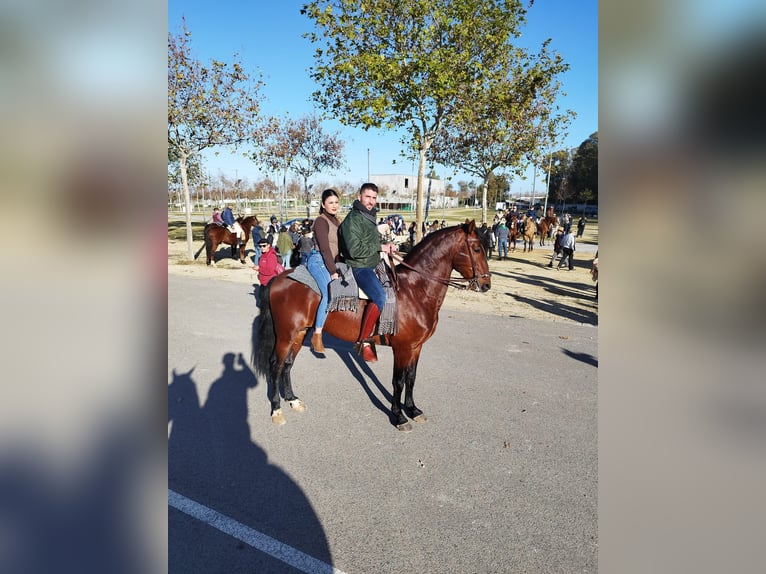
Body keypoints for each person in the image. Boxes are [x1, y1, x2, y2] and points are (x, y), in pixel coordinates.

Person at [338, 182, 397, 362]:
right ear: (359, 197)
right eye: (367, 197)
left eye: (373, 198)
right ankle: (363, 341)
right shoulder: (353, 219)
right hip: (359, 265)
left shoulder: (368, 215)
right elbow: (355, 251)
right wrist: (380, 247)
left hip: (372, 260)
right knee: (380, 296)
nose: (371, 201)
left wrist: (387, 247)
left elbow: (369, 240)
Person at [306, 189, 341, 353]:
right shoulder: (321, 221)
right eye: (330, 203)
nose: (334, 205)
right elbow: (326, 249)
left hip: (331, 260)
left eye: (336, 202)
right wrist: (333, 270)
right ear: (323, 205)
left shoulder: (337, 221)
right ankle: (317, 334)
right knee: (329, 292)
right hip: (319, 260)